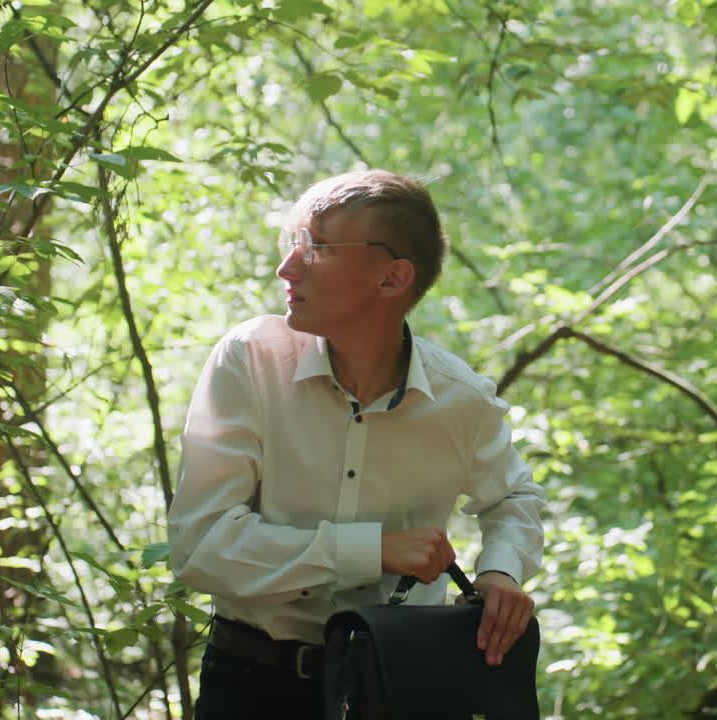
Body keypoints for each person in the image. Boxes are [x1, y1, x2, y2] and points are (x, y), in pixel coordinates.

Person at [167, 169, 546, 719]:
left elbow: (515, 499)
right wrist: (373, 550)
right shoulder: (251, 359)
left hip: (402, 688)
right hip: (251, 687)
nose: (287, 267)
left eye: (317, 247)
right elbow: (200, 546)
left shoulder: (460, 400)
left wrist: (501, 573)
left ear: (391, 280)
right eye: (294, 243)